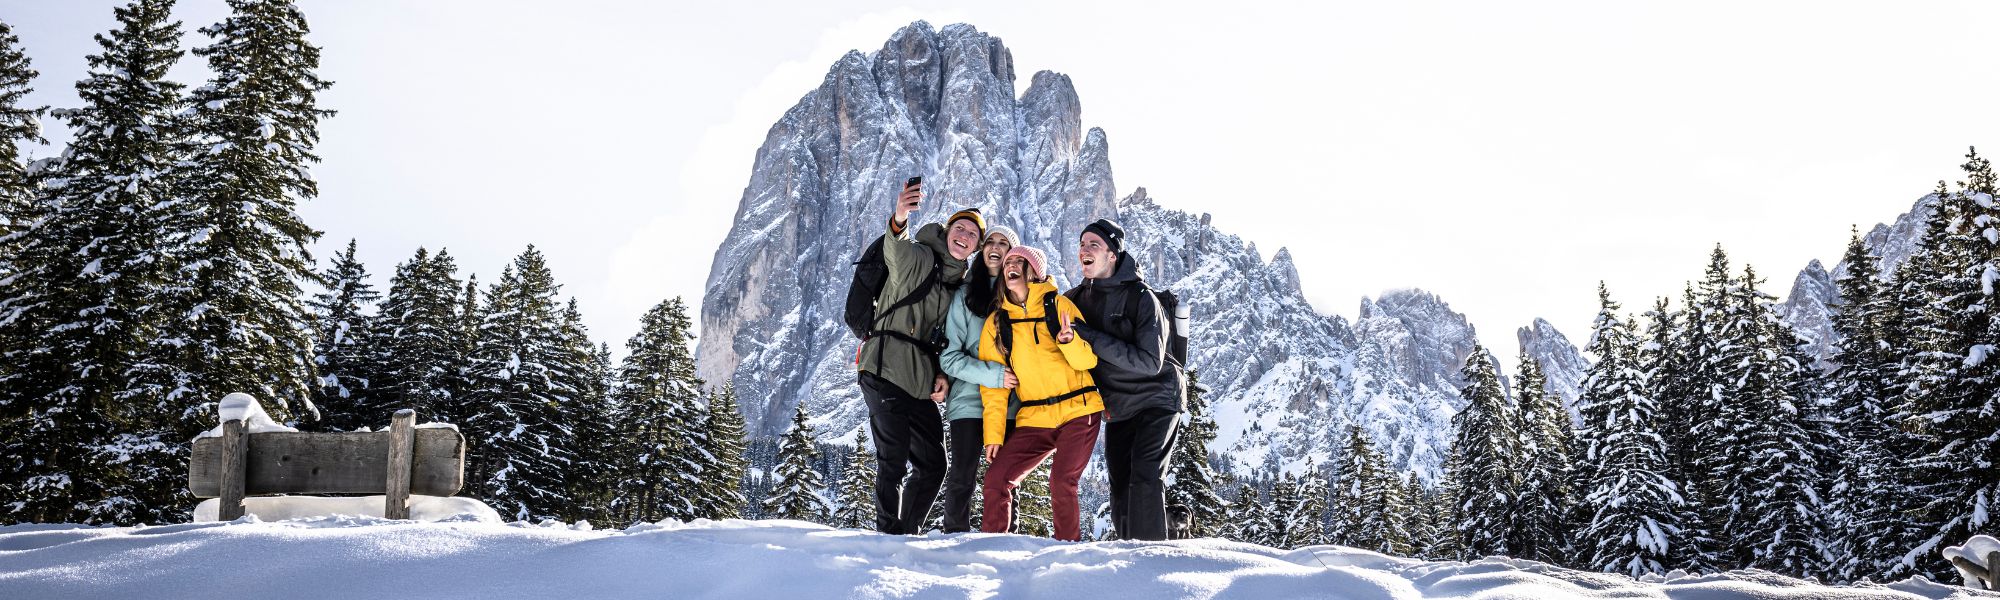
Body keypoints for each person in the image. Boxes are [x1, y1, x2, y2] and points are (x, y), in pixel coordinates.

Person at [856, 177, 982, 535]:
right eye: (960, 228)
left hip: (917, 381)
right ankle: (887, 536)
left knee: (933, 463)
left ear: (975, 247)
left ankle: (905, 533)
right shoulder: (920, 257)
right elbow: (896, 248)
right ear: (947, 231)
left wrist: (942, 375)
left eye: (972, 235)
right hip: (883, 369)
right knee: (893, 457)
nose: (965, 236)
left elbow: (948, 338)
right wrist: (899, 216)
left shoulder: (959, 285)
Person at [1064, 218, 1186, 541]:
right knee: (1119, 486)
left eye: (1094, 245)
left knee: (1145, 473)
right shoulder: (1075, 300)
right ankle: (1135, 553)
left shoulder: (1141, 298)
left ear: (1112, 255)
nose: (1084, 250)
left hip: (1158, 398)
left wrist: (1090, 336)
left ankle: (1151, 563)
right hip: (1119, 408)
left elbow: (1149, 361)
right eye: (1082, 244)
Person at [977, 245, 1103, 541]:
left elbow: (1088, 361)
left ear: (1034, 271)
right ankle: (990, 549)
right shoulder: (997, 323)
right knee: (997, 480)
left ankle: (1067, 551)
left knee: (1062, 481)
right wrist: (994, 435)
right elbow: (994, 387)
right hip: (1034, 417)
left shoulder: (1059, 306)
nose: (1012, 265)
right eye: (1009, 261)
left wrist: (1070, 341)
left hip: (1079, 409)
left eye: (1020, 261)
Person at [938, 224, 1021, 533]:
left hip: (1010, 405)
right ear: (982, 250)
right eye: (990, 242)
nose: (995, 247)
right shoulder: (964, 295)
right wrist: (994, 375)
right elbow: (949, 357)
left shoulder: (1019, 296)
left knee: (1006, 480)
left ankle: (1005, 542)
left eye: (1004, 243)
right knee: (963, 475)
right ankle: (954, 539)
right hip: (969, 402)